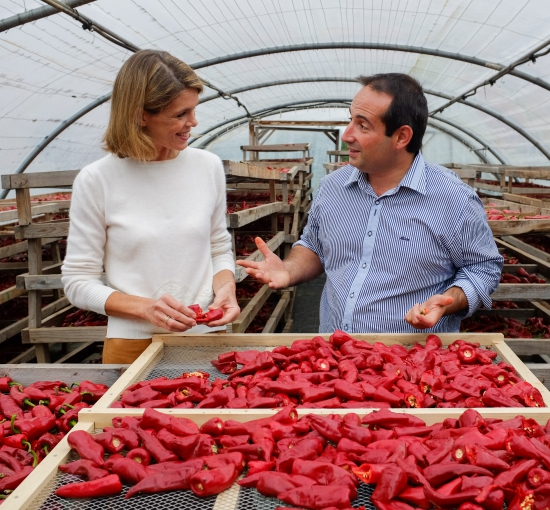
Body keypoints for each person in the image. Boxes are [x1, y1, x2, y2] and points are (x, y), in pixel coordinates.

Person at [237, 73, 503, 334]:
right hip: (335, 356)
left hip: (409, 363)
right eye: (350, 120)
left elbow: (483, 269)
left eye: (363, 126)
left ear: (401, 137)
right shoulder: (333, 187)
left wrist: (447, 302)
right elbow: (315, 246)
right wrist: (288, 269)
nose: (347, 135)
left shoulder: (453, 199)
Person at [61, 50, 240, 364]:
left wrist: (226, 287)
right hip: (132, 346)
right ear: (141, 114)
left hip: (207, 338)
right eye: (180, 114)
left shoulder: (207, 167)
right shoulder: (97, 180)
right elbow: (77, 281)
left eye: (194, 110)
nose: (193, 123)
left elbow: (217, 248)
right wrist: (144, 307)